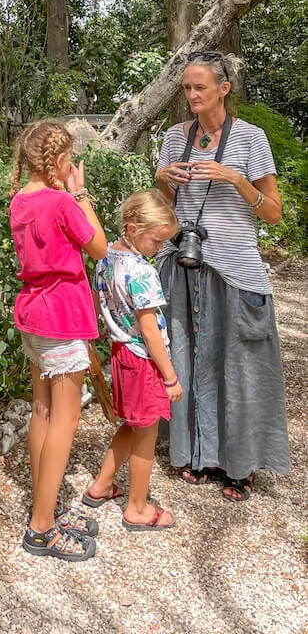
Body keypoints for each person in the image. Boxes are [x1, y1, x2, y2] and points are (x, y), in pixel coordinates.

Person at [155, 51, 290, 501]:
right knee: (188, 362)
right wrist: (162, 177)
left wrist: (235, 179)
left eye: (200, 88)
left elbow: (272, 213)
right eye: (187, 88)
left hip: (235, 269)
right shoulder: (176, 137)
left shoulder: (251, 139)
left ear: (223, 89)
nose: (191, 96)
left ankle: (240, 464)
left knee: (239, 367)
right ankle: (197, 455)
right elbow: (166, 205)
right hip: (185, 264)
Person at [10, 119, 108, 562]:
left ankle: (44, 504)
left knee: (42, 411)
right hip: (63, 317)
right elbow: (101, 247)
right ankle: (42, 527)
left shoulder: (20, 200)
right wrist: (81, 193)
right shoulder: (63, 202)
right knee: (65, 421)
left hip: (32, 315)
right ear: (59, 162)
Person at [83, 191, 182, 530]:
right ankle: (137, 507)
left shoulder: (106, 258)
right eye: (156, 240)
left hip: (121, 354)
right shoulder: (141, 272)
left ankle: (101, 485)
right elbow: (150, 330)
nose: (159, 248)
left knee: (133, 423)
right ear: (133, 228)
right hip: (143, 359)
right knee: (147, 432)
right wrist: (169, 376)